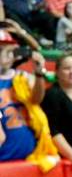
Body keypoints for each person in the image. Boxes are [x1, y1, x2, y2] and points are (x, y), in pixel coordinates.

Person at [0, 29, 46, 161]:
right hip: (4, 155)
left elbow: (36, 100)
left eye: (10, 50)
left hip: (30, 151)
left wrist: (39, 73)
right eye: (3, 50)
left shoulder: (21, 77)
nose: (9, 55)